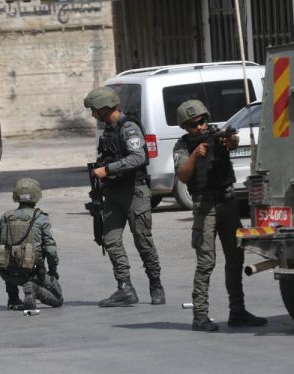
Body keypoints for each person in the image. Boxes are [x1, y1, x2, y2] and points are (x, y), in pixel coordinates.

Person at [172, 100, 267, 331]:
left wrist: (231, 140)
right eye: (193, 125)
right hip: (204, 207)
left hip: (228, 203)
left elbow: (232, 143)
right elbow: (183, 175)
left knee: (235, 259)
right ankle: (200, 316)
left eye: (202, 121)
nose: (200, 127)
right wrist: (195, 155)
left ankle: (238, 311)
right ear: (185, 127)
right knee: (206, 262)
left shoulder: (218, 135)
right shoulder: (182, 146)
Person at [83, 87, 166, 307]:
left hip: (134, 191)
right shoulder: (108, 130)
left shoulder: (129, 128)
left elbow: (138, 157)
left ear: (104, 107)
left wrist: (107, 170)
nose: (93, 114)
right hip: (113, 193)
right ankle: (125, 288)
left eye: (94, 110)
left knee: (143, 241)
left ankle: (156, 285)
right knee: (110, 240)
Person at [0, 178, 63, 309]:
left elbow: (0, 242)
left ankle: (13, 299)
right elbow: (51, 250)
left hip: (6, 273)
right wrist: (53, 270)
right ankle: (34, 289)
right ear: (36, 195)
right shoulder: (41, 218)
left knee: (10, 253)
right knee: (58, 298)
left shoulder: (6, 217)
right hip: (31, 273)